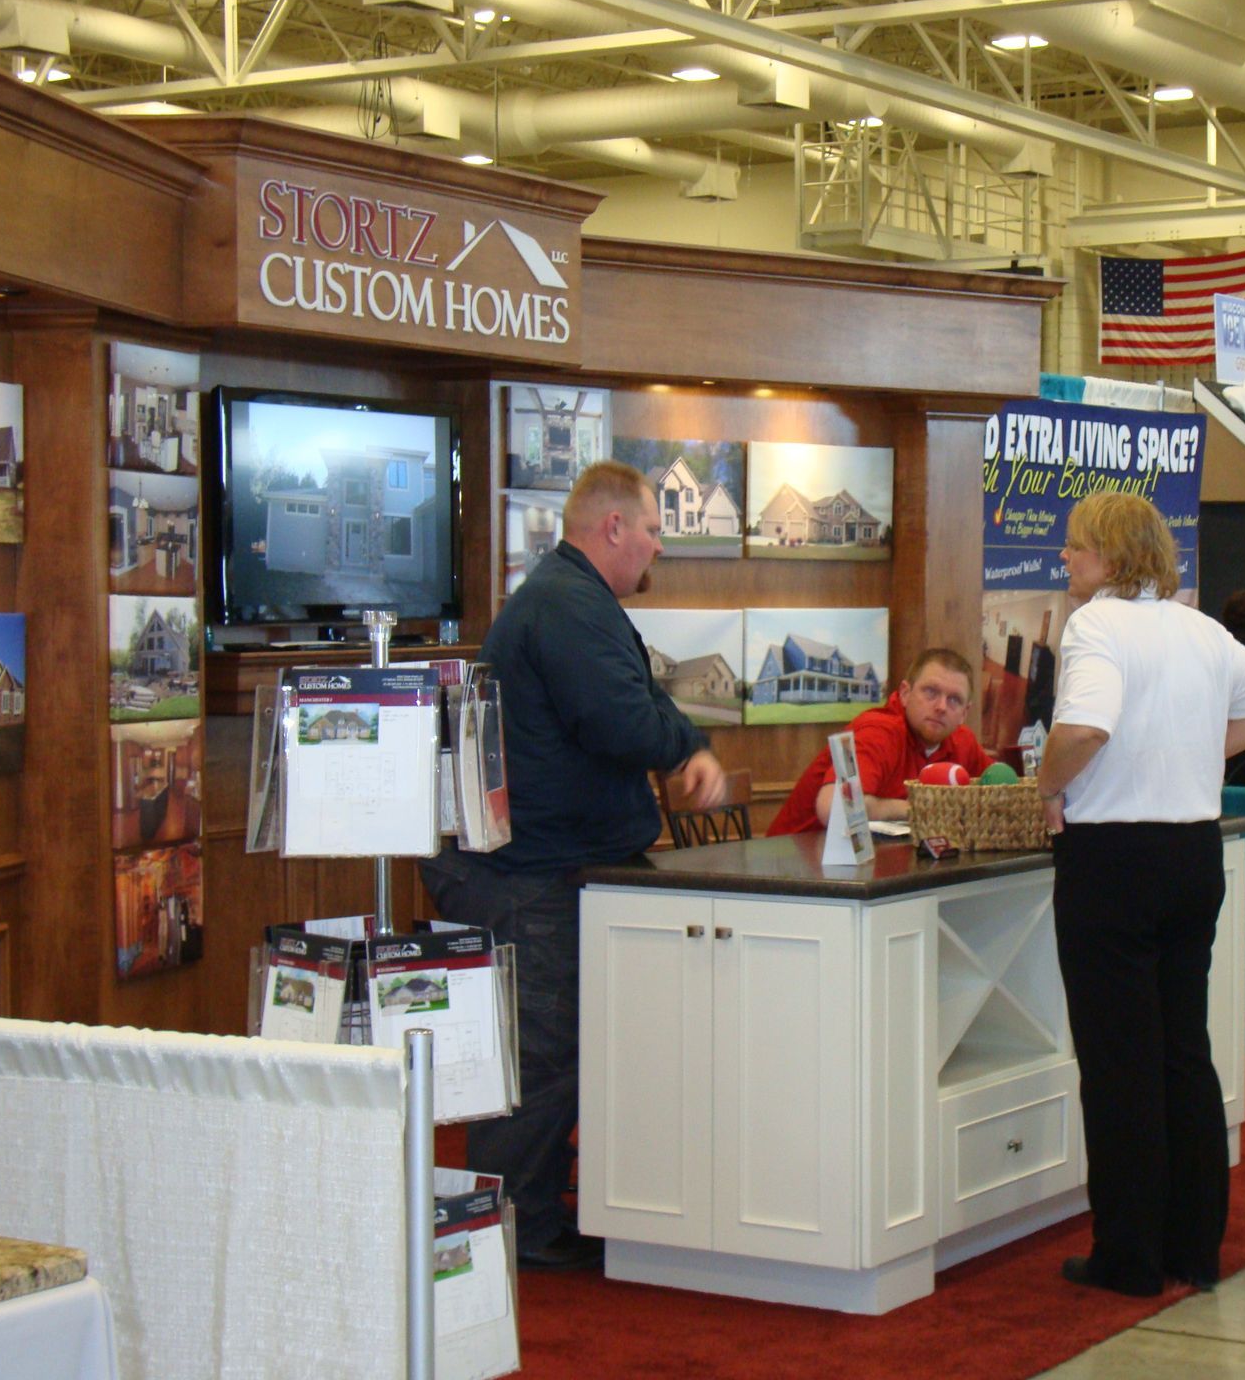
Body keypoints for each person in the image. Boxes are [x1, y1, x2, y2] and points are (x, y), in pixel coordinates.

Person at [418, 461, 724, 1271]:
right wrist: (685, 748)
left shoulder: (579, 602)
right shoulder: (566, 605)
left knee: (556, 1050)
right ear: (613, 529)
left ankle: (535, 1211)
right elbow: (623, 721)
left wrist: (683, 739)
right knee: (542, 1054)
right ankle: (519, 1228)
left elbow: (645, 698)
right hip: (532, 876)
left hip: (557, 865)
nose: (659, 547)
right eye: (654, 530)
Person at [1035, 492, 1245, 1298]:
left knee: (1119, 1063)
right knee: (1183, 1053)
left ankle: (1128, 1255)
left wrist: (1046, 789)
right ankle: (1194, 1246)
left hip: (1114, 857)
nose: (1067, 562)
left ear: (1110, 556)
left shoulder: (1096, 626)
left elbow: (1084, 729)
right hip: (1192, 852)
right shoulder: (1197, 627)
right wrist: (1203, 752)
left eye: (1076, 548)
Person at [766, 648, 990, 834]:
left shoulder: (963, 741)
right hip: (793, 871)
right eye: (930, 692)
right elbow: (835, 809)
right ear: (904, 693)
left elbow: (1009, 790)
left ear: (964, 713)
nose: (941, 707)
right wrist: (911, 808)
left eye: (954, 700)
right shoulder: (878, 731)